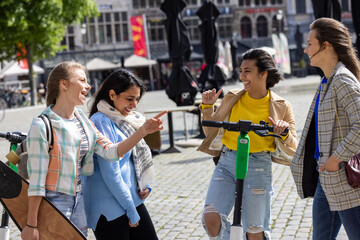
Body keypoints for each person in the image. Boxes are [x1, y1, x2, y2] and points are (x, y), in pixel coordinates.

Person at [21, 61, 165, 240]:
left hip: (79, 202)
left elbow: (111, 152)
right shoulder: (42, 125)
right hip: (55, 202)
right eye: (82, 80)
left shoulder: (81, 120)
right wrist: (31, 224)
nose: (88, 86)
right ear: (63, 84)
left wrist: (143, 131)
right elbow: (37, 182)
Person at [197, 48, 298, 240]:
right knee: (211, 218)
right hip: (227, 162)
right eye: (241, 70)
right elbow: (211, 132)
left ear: (263, 73)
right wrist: (208, 108)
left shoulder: (282, 105)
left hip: (259, 166)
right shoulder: (233, 97)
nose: (242, 76)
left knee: (254, 231)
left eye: (247, 71)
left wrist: (283, 132)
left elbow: (294, 149)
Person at [291, 17, 360, 239]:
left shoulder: (342, 80)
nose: (305, 49)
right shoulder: (327, 81)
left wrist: (336, 158)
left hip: (346, 181)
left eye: (310, 44)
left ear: (326, 45)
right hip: (327, 179)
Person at [83, 69, 158, 240]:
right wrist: (132, 212)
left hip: (129, 200)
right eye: (129, 99)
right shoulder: (100, 121)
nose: (134, 105)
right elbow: (111, 173)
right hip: (108, 207)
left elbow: (131, 162)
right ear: (112, 94)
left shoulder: (124, 120)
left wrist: (144, 185)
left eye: (137, 99)